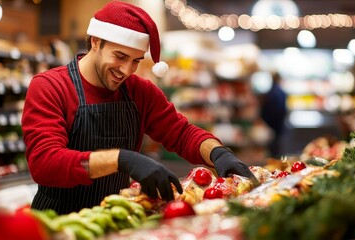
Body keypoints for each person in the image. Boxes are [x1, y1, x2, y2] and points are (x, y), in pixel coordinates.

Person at [21, 0, 255, 215]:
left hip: (116, 216)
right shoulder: (51, 87)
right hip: (58, 221)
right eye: (120, 56)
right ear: (95, 42)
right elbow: (45, 163)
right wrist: (121, 160)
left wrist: (217, 152)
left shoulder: (139, 91)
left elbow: (181, 133)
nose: (127, 70)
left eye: (135, 60)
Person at [260, 71, 288, 158]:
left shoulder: (271, 92)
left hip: (272, 123)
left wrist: (266, 120)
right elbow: (282, 110)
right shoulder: (281, 92)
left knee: (273, 148)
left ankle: (274, 163)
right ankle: (276, 162)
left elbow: (269, 110)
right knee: (277, 147)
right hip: (278, 124)